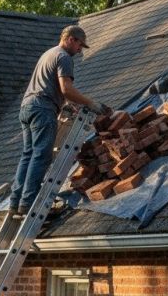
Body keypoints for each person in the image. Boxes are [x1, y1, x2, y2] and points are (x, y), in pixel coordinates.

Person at [8, 24, 107, 217]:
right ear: (71, 39)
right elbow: (66, 89)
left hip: (27, 107)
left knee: (28, 154)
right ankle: (29, 203)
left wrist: (70, 104)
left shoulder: (49, 54)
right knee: (41, 155)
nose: (80, 50)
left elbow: (52, 87)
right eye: (79, 45)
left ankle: (16, 202)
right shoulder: (64, 57)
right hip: (43, 109)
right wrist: (91, 103)